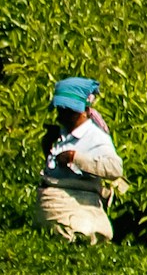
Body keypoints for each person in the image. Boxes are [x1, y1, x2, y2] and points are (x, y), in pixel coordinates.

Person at [37, 76, 124, 243]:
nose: (61, 114)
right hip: (52, 200)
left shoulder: (95, 137)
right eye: (60, 109)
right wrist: (47, 146)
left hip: (79, 199)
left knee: (82, 231)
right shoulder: (62, 133)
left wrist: (75, 158)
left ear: (81, 111)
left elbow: (115, 168)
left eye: (67, 110)